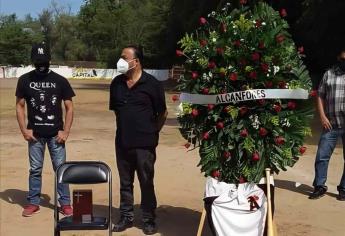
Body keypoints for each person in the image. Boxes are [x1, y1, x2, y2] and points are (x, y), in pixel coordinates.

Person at [109, 45, 167, 234]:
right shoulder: (116, 83)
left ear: (136, 61)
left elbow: (162, 113)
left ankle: (149, 218)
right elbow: (117, 111)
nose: (121, 61)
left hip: (145, 144)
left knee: (146, 181)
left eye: (124, 58)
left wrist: (152, 132)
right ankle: (126, 217)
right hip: (123, 142)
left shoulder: (152, 84)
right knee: (125, 183)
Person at [16, 43, 76, 216]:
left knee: (61, 168)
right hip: (34, 135)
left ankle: (65, 203)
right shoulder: (25, 80)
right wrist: (24, 130)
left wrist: (66, 131)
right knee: (35, 169)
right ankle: (33, 202)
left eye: (43, 60)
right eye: (37, 60)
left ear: (50, 59)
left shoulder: (60, 80)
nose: (40, 64)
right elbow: (20, 106)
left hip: (56, 135)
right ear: (33, 61)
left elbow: (69, 107)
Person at [309, 48, 345, 201]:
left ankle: (343, 189)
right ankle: (319, 186)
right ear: (338, 57)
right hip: (331, 124)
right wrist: (322, 117)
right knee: (322, 156)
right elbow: (320, 95)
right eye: (343, 59)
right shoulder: (329, 74)